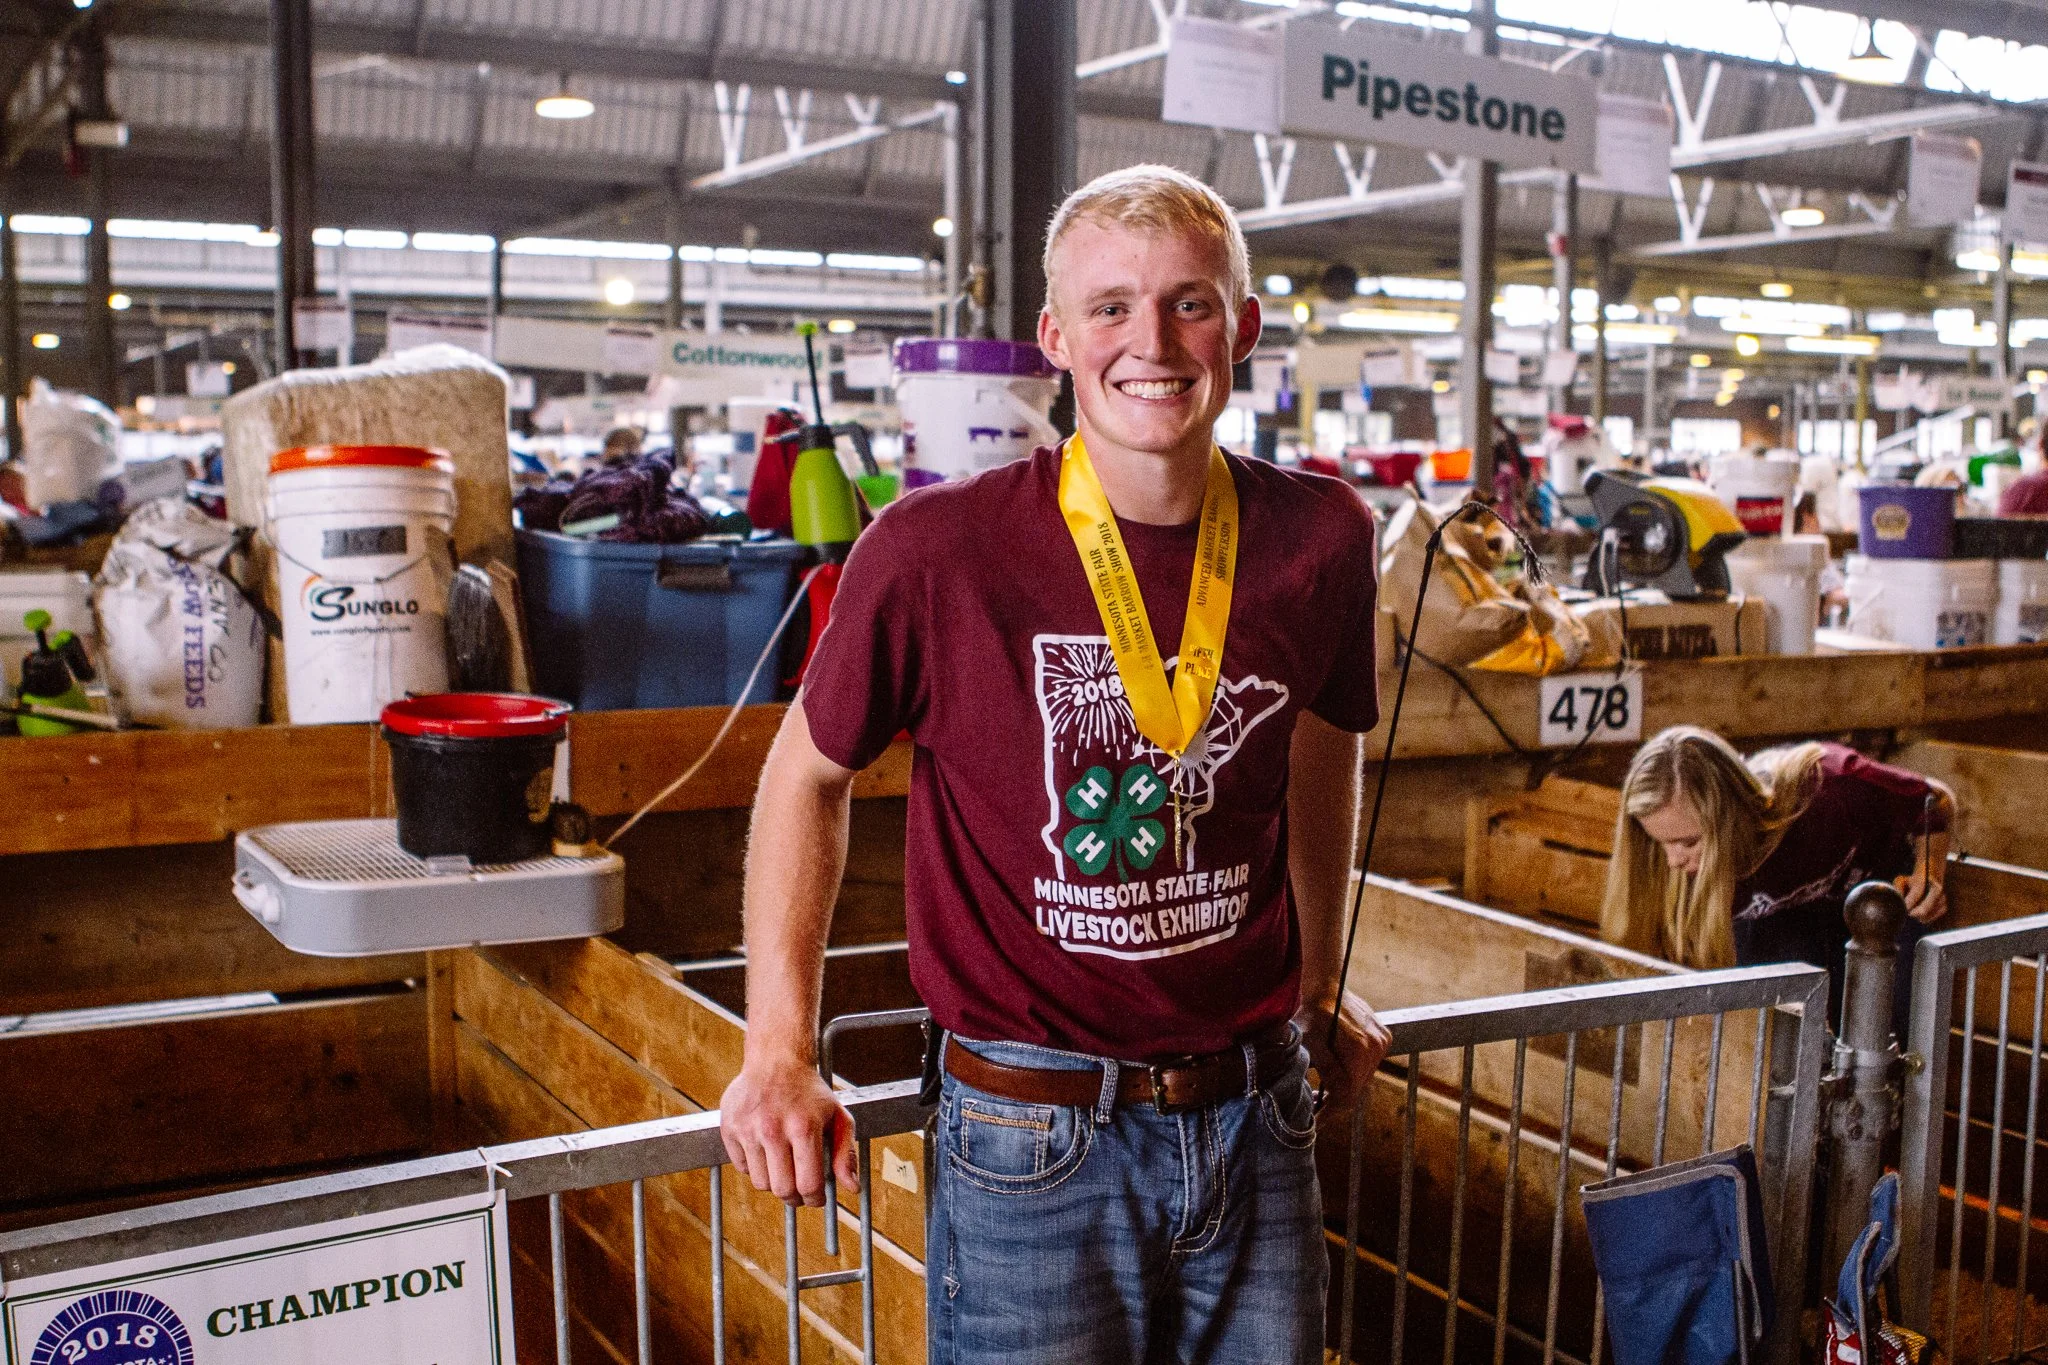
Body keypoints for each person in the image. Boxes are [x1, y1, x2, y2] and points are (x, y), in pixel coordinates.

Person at [717, 164, 1391, 1363]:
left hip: (1257, 1114)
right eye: (1111, 307)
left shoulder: (1323, 537)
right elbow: (802, 777)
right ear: (1055, 337)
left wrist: (1321, 976)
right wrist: (778, 1048)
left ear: (1239, 326)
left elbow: (1325, 742)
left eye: (1190, 303)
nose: (1153, 341)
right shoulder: (932, 552)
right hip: (1031, 1133)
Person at [1601, 725, 1954, 1028]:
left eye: (1689, 842)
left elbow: (1934, 802)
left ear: (1731, 816)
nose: (1673, 861)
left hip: (1874, 902)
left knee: (1890, 1024)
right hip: (1790, 919)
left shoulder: (1834, 788)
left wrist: (1929, 871)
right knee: (1772, 1017)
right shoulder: (1675, 861)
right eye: (1660, 843)